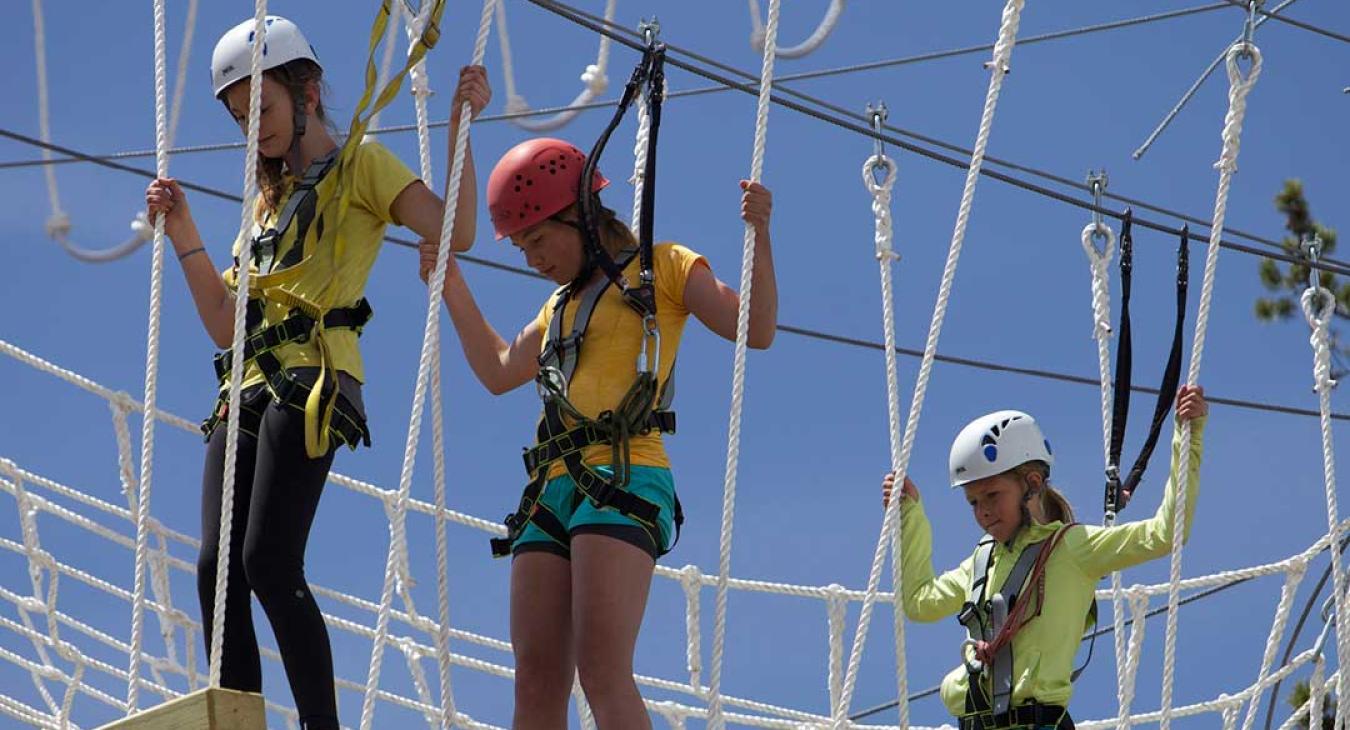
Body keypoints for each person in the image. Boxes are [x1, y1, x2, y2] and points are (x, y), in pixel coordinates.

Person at [419, 65, 778, 728]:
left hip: (625, 473)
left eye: (538, 239)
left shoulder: (663, 269)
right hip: (552, 489)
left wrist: (758, 234)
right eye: (522, 245)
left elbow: (753, 328)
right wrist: (450, 286)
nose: (531, 258)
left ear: (580, 214)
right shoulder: (556, 309)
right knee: (536, 683)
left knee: (601, 671)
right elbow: (501, 371)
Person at [144, 16, 468, 729]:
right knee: (214, 569)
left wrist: (458, 134)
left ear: (308, 92)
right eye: (239, 118)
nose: (252, 128)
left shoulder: (361, 166)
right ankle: (237, 718)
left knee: (267, 560)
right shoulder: (265, 207)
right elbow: (226, 319)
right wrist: (186, 233)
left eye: (261, 109)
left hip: (313, 379)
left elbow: (453, 232)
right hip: (249, 383)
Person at [882, 386, 1209, 730]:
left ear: (1033, 483)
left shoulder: (1073, 548)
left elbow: (1165, 533)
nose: (984, 512)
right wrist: (910, 515)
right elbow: (919, 603)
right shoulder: (981, 562)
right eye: (974, 502)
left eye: (993, 495)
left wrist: (1189, 437)